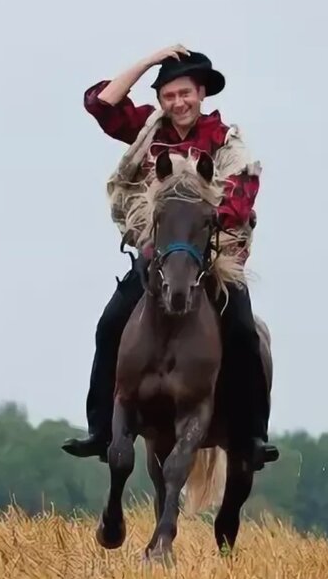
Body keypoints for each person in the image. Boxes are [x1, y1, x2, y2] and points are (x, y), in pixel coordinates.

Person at [61, 45, 280, 470]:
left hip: (213, 259)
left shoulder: (227, 143)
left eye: (185, 94)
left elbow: (239, 201)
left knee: (244, 332)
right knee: (110, 324)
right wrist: (151, 59)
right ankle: (100, 429)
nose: (178, 103)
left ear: (201, 94)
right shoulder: (148, 130)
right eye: (168, 96)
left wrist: (194, 216)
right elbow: (100, 104)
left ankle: (252, 436)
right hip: (157, 257)